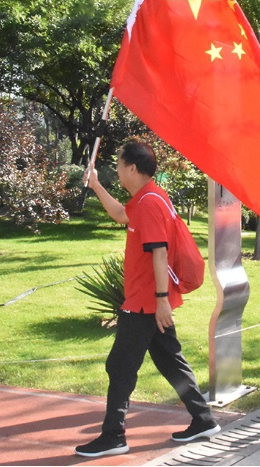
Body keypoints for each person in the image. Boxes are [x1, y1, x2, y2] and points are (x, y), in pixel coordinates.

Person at [76, 141, 219, 458]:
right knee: (171, 362)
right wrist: (96, 184)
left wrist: (161, 300)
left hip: (145, 303)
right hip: (150, 300)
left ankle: (113, 435)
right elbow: (119, 215)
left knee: (120, 366)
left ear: (131, 168)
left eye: (118, 164)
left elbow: (159, 252)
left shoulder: (150, 203)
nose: (117, 170)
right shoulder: (145, 198)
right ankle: (203, 419)